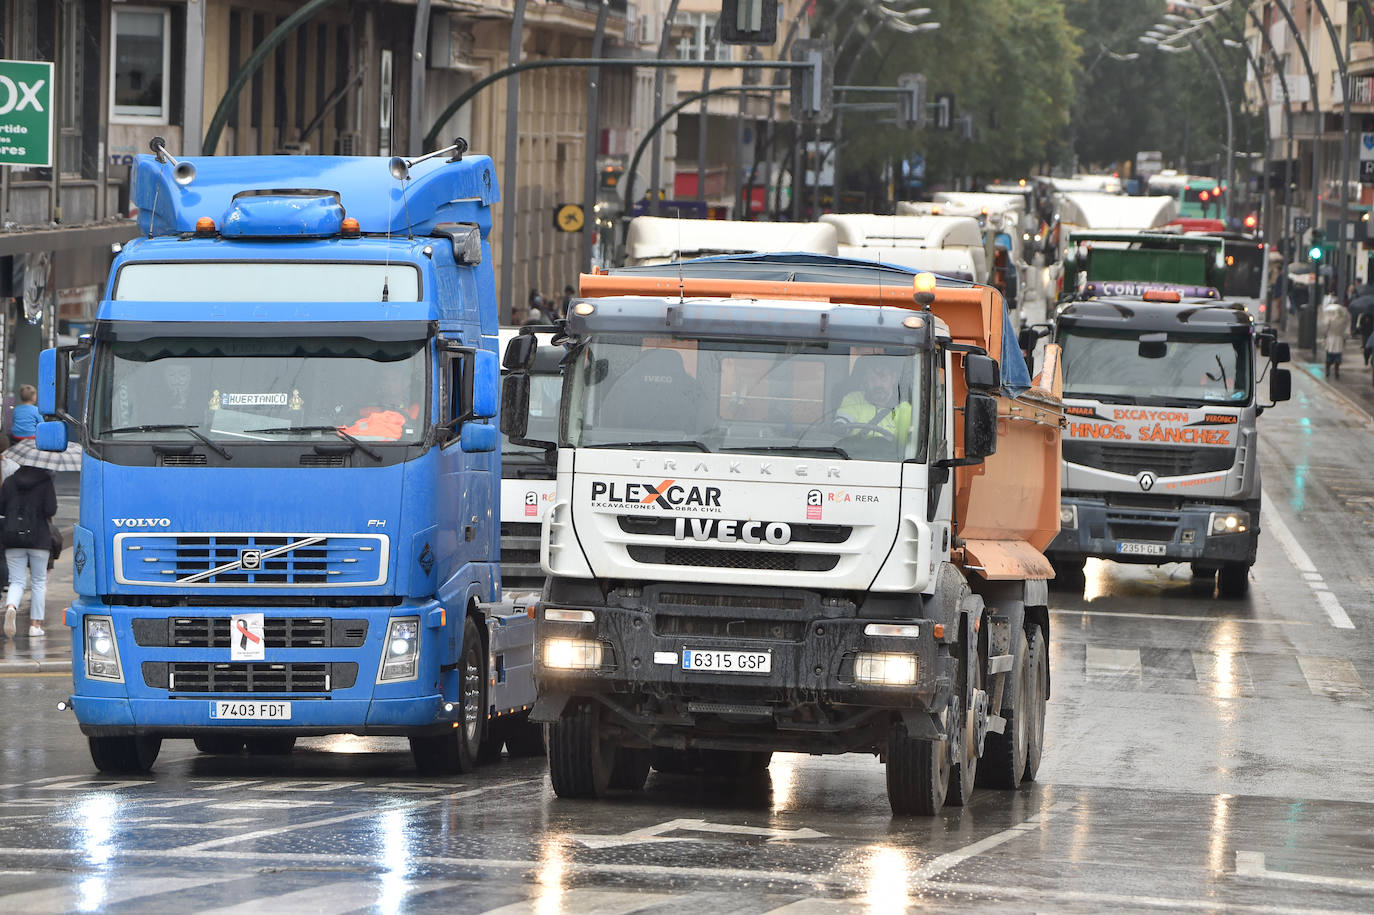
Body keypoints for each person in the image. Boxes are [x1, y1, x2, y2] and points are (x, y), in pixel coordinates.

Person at [0, 463, 57, 640]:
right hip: (39, 538)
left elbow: (1, 508)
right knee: (38, 582)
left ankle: (11, 607)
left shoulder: (9, 481)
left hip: (12, 537)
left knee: (16, 581)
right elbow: (51, 509)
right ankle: (35, 626)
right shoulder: (45, 481)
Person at [835, 356, 911, 444]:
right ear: (865, 381)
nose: (878, 384)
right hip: (853, 455)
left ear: (893, 379)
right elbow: (843, 421)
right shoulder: (854, 399)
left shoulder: (904, 408)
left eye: (883, 378)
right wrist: (840, 427)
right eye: (872, 379)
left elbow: (907, 443)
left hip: (890, 457)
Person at [339, 368, 420, 441]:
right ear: (380, 383)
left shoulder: (414, 410)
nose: (388, 384)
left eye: (394, 380)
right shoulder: (365, 408)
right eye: (385, 380)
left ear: (405, 383)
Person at [1319, 295, 1351, 380]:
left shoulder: (1330, 319)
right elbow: (1345, 329)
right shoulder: (1343, 319)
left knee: (1329, 356)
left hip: (1331, 339)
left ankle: (1328, 370)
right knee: (1337, 357)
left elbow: (1325, 329)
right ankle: (1336, 372)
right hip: (1338, 340)